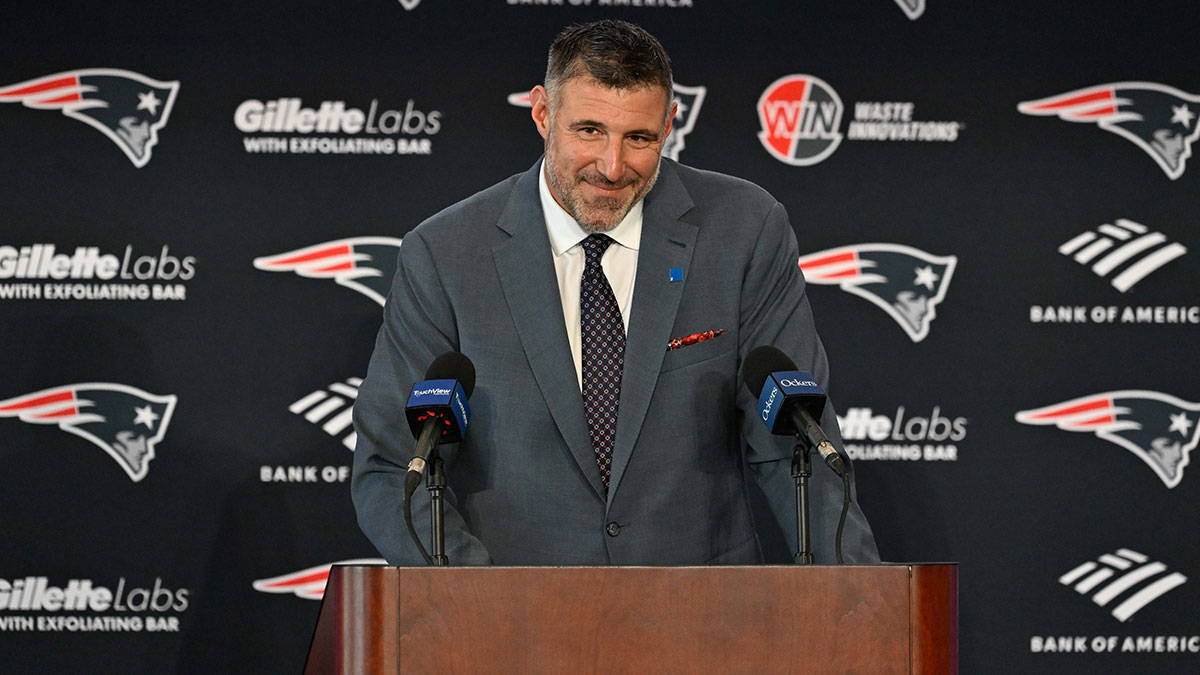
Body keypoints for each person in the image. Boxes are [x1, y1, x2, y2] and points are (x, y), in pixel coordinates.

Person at [352, 20, 878, 565]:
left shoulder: (744, 230)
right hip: (512, 626)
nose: (612, 166)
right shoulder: (445, 253)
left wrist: (861, 605)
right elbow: (394, 468)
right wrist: (485, 608)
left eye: (639, 139)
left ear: (670, 124)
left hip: (701, 620)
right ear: (542, 114)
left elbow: (798, 447)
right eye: (588, 131)